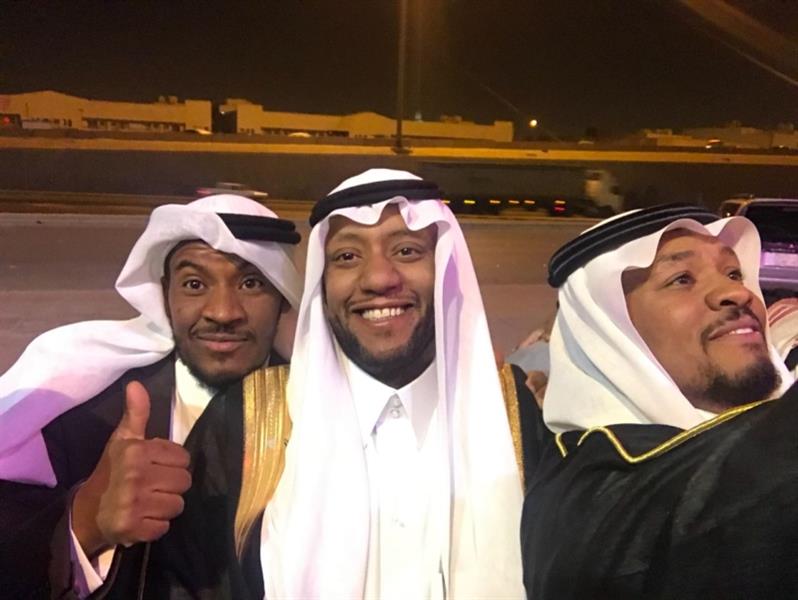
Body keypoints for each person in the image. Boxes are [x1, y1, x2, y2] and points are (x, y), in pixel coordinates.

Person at [171, 168, 539, 599]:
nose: (379, 278)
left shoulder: (509, 409)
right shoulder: (247, 420)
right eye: (347, 256)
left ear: (444, 268)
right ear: (322, 286)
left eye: (406, 250)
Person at [0, 194, 302, 598]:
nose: (223, 312)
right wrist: (84, 520)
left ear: (283, 297)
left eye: (251, 283)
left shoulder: (319, 408)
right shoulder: (85, 416)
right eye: (194, 284)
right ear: (165, 295)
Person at [521, 204, 797, 598]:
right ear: (611, 332)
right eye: (681, 279)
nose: (738, 292)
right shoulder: (599, 491)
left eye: (734, 273)